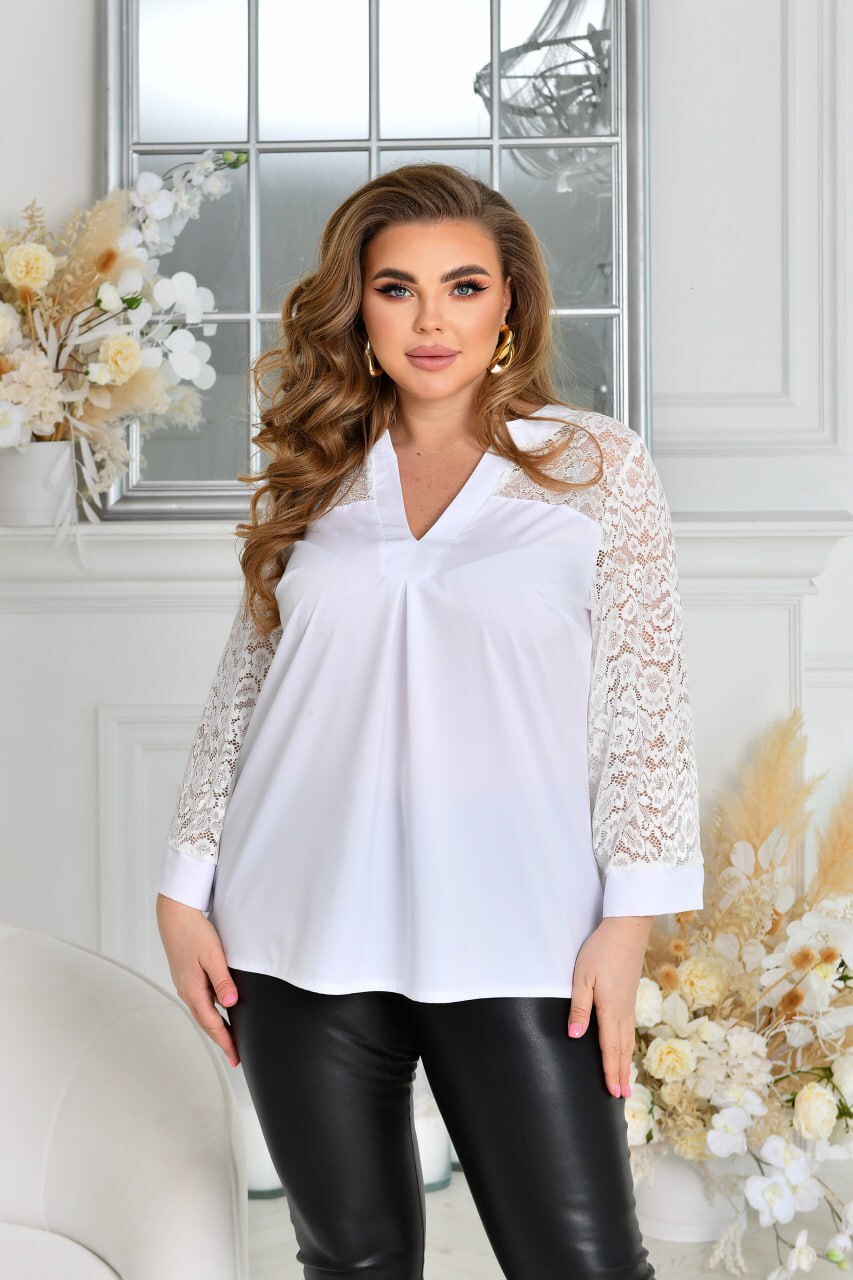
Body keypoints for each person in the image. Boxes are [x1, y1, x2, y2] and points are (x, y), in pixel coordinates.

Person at [156, 162, 704, 1280]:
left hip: (520, 926)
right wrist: (182, 886)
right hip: (296, 923)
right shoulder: (318, 469)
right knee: (349, 1262)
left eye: (463, 286)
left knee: (583, 1264)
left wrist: (627, 922)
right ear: (357, 308)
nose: (431, 319)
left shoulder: (594, 466)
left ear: (510, 305)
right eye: (396, 288)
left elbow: (644, 702)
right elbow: (248, 686)